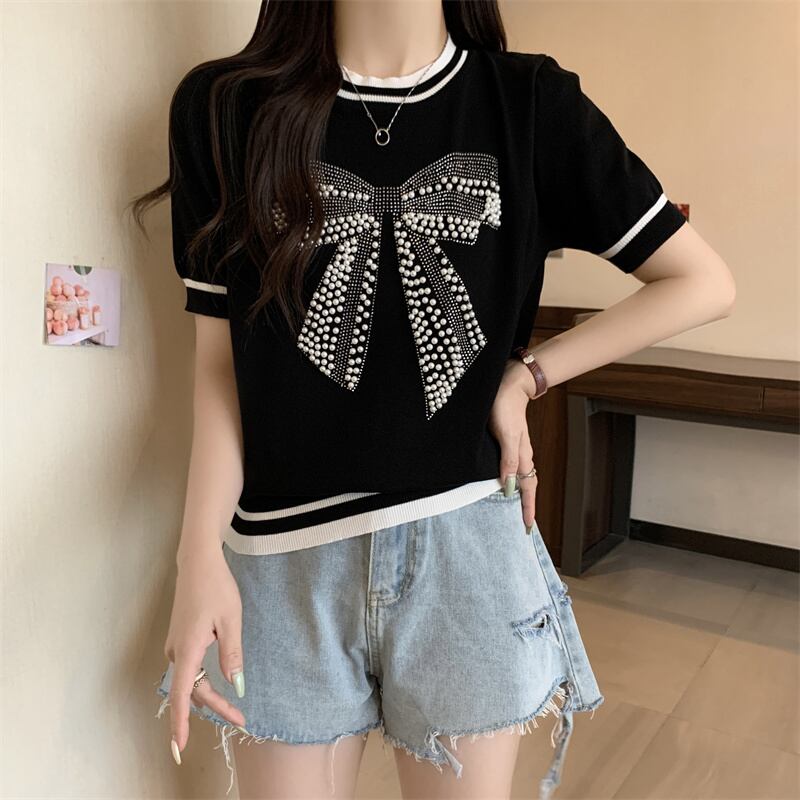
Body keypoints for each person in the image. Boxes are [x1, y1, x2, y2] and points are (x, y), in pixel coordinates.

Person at [132, 1, 735, 798]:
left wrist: (527, 375)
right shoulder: (224, 109)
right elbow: (221, 365)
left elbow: (701, 282)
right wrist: (197, 555)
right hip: (283, 561)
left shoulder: (528, 103)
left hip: (467, 547)